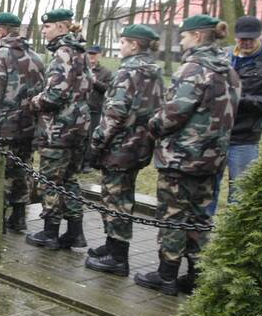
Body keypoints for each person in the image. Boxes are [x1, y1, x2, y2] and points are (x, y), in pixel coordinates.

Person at [134, 15, 240, 295]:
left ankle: (166, 275)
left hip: (182, 158)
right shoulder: (229, 69)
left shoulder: (193, 69)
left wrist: (153, 125)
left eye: (183, 36)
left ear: (196, 36)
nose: (180, 41)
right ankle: (198, 275)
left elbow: (173, 113)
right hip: (212, 159)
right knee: (199, 218)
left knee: (173, 216)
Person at [83, 25, 164, 276]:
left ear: (134, 45)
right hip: (140, 146)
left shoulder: (128, 72)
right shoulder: (155, 73)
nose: (120, 47)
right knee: (120, 197)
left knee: (115, 199)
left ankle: (118, 258)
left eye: (123, 42)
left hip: (120, 147)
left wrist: (95, 145)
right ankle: (111, 246)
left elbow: (114, 115)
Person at [210, 15, 262, 209]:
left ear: (261, 36)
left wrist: (248, 102)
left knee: (241, 192)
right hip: (215, 134)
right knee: (207, 188)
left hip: (245, 137)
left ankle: (233, 235)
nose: (246, 43)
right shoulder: (223, 56)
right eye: (242, 39)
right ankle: (201, 231)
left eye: (251, 39)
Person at [26, 8, 92, 249]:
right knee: (69, 180)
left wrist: (34, 102)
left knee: (50, 181)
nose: (44, 30)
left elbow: (55, 95)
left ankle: (50, 232)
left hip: (59, 129)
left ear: (62, 27)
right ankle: (75, 232)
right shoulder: (80, 53)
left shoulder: (63, 53)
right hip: (78, 127)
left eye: (48, 26)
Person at [0, 12, 45, 232]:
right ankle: (18, 217)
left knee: (1, 173)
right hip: (28, 124)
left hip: (4, 124)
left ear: (1, 30)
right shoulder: (36, 56)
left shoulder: (1, 55)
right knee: (22, 169)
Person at [83, 45, 113, 170]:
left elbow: (108, 89)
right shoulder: (83, 69)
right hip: (82, 108)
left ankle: (88, 163)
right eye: (89, 54)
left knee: (91, 136)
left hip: (95, 108)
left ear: (99, 55)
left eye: (94, 55)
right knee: (81, 136)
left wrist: (95, 82)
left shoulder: (106, 72)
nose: (91, 57)